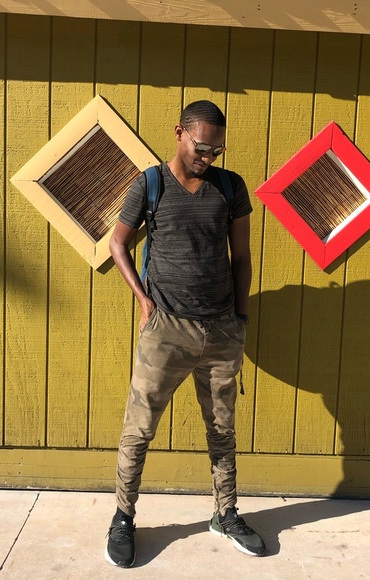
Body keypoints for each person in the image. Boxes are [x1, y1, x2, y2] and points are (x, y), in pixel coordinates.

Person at [106, 100, 266, 568]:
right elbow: (118, 242)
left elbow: (242, 257)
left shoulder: (230, 187)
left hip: (221, 331)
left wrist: (239, 320)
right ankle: (122, 517)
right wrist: (144, 301)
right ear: (179, 133)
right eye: (201, 147)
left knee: (222, 430)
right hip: (166, 330)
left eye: (216, 150)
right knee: (139, 429)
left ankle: (225, 513)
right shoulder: (150, 184)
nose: (208, 157)